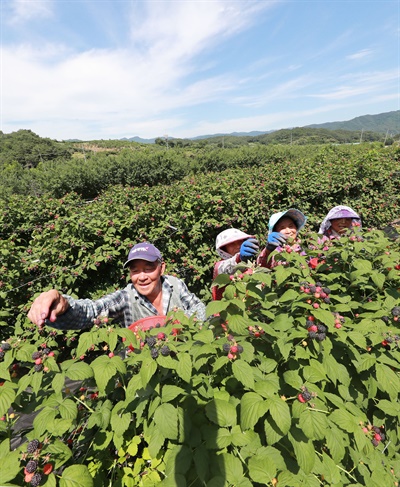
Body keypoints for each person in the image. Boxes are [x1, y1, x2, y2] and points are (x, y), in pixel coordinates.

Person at [27, 242, 206, 329]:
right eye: (135, 271)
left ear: (161, 268)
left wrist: (177, 325)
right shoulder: (126, 297)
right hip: (144, 371)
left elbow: (199, 308)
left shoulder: (175, 284)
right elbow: (92, 311)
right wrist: (64, 305)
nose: (142, 277)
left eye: (149, 268)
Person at [212, 228, 259, 300]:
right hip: (228, 310)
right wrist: (239, 258)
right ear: (224, 249)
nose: (237, 246)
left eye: (240, 242)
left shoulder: (249, 265)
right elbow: (229, 267)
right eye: (232, 244)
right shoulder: (219, 267)